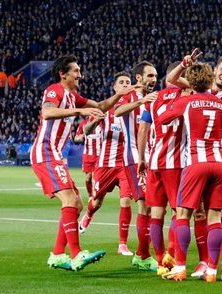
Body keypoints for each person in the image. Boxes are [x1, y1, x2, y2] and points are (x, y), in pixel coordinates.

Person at [30, 55, 139, 272]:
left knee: (78, 204)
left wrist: (118, 95)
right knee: (70, 200)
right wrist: (79, 111)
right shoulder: (55, 89)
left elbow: (100, 106)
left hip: (56, 155)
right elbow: (47, 111)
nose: (80, 74)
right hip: (45, 151)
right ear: (63, 74)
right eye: (76, 71)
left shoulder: (73, 96)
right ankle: (76, 254)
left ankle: (58, 255)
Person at [159, 62, 222, 282]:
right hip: (218, 164)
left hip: (195, 163)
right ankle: (212, 271)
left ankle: (180, 267)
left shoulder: (186, 101)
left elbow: (162, 119)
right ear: (209, 79)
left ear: (190, 82)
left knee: (184, 214)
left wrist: (175, 104)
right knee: (215, 217)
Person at [79, 63, 159, 272]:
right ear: (139, 78)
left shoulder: (153, 99)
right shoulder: (127, 99)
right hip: (127, 159)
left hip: (147, 158)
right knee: (138, 205)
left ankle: (135, 249)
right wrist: (141, 99)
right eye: (149, 76)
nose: (153, 79)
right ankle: (143, 255)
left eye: (155, 76)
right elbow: (118, 110)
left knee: (146, 205)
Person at [136, 62, 186, 276]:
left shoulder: (153, 99)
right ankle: (171, 256)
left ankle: (159, 261)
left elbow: (142, 130)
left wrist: (141, 158)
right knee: (179, 212)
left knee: (156, 214)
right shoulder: (186, 96)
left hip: (154, 160)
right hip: (176, 162)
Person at [73, 113, 103, 203]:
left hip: (99, 155)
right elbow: (76, 138)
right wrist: (80, 138)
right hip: (88, 155)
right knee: (88, 177)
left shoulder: (102, 123)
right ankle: (90, 195)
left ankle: (95, 195)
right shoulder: (84, 123)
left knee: (95, 176)